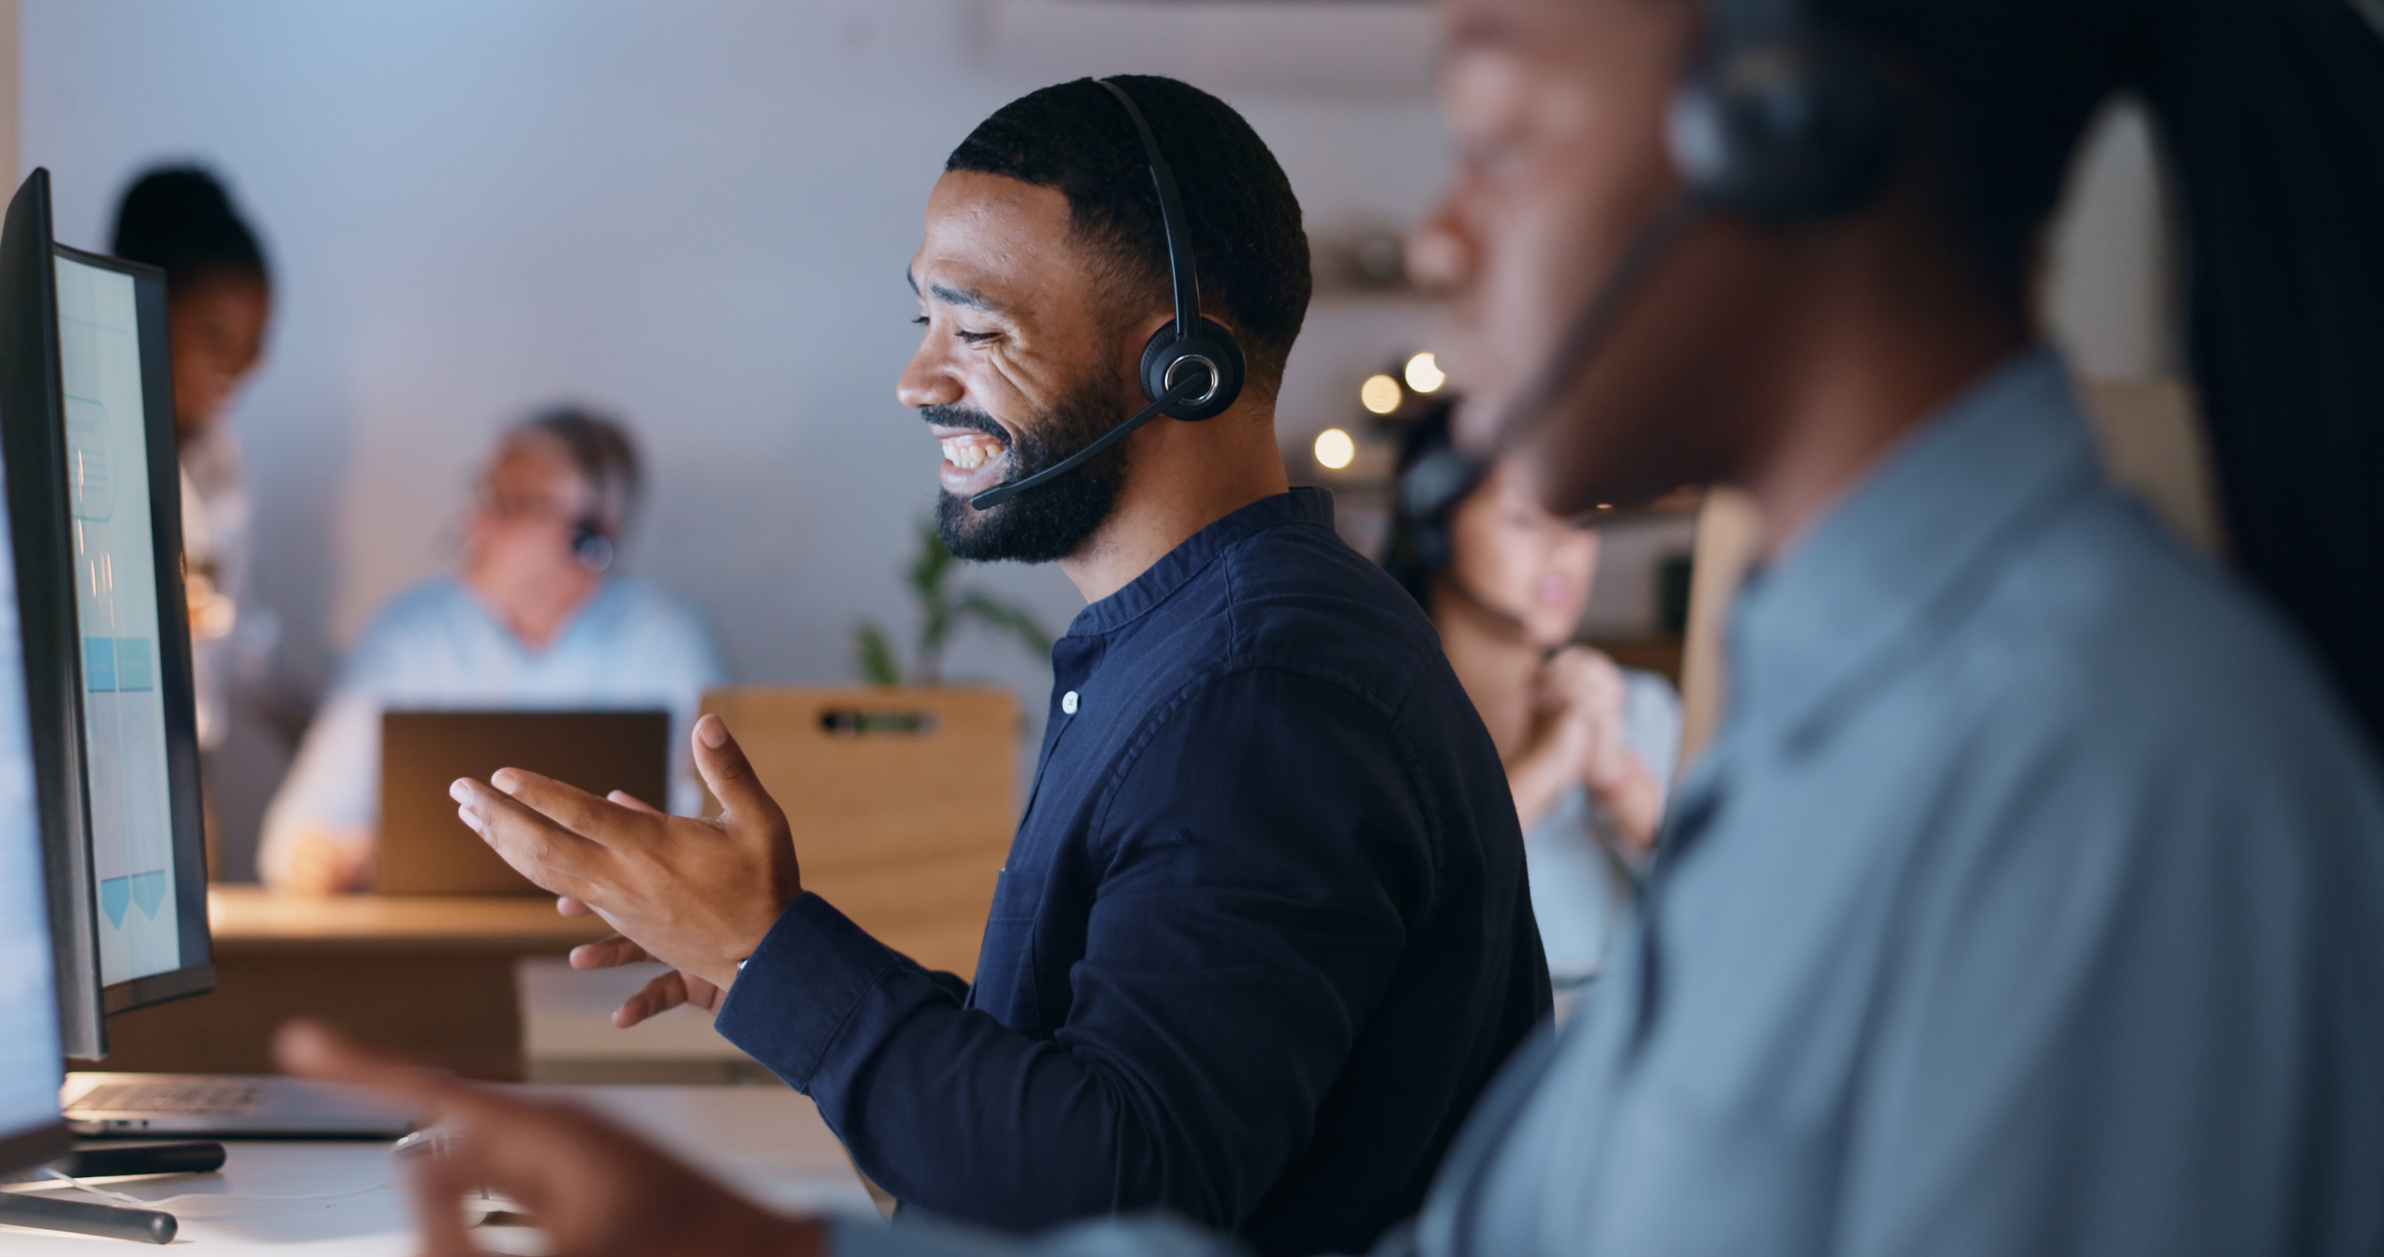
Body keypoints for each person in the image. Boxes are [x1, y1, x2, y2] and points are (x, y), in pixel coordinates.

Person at [286, 0, 2384, 1252]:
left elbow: (1147, 1169)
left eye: (1493, 133)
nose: (1446, 230)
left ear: (1790, 129)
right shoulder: (1848, 737)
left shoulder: (2090, 778)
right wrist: (759, 1241)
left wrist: (781, 976)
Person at [443, 76, 1548, 1256]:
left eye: (975, 330)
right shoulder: (1187, 646)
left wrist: (773, 957)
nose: (918, 380)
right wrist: (774, 982)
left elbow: (1116, 1197)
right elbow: (1084, 1103)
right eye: (920, 321)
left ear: (1184, 365)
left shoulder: (1258, 692)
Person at [258, 407, 725, 893]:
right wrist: (324, 858)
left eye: (510, 504)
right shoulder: (408, 635)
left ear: (592, 536)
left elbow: (714, 841)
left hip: (614, 946)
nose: (474, 523)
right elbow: (294, 837)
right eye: (484, 495)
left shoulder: (666, 638)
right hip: (441, 947)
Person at [1383, 407, 1678, 995]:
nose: (1561, 547)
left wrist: (1618, 783)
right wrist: (1544, 771)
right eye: (1522, 516)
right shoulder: (1376, 726)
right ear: (1433, 527)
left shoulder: (1638, 709)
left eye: (1581, 516)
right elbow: (1392, 923)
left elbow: (1732, 923)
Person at [108, 167, 273, 753]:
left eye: (256, 341)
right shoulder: (88, 450)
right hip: (109, 755)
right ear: (149, 309)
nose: (241, 366)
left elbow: (240, 630)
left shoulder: (221, 459)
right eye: (215, 337)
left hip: (189, 757)